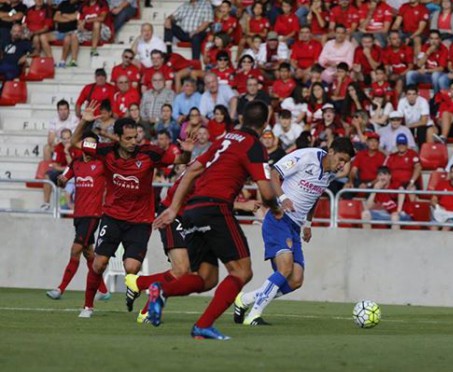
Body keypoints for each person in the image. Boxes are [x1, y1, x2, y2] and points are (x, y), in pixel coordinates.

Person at [149, 101, 281, 339]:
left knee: (206, 278)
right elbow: (267, 191)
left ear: (241, 118)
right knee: (242, 272)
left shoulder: (225, 139)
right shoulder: (254, 145)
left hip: (193, 210)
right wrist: (277, 209)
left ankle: (161, 290)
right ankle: (203, 325)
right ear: (265, 123)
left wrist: (173, 208)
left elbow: (191, 171)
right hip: (215, 208)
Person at [70, 100, 194, 318]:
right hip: (112, 217)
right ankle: (88, 306)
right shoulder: (105, 150)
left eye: (135, 137)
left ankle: (134, 289)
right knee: (99, 263)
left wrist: (186, 153)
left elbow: (179, 161)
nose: (132, 142)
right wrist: (85, 122)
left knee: (132, 268)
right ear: (117, 137)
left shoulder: (150, 153)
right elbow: (75, 142)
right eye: (127, 138)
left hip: (140, 220)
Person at [233, 138, 355, 325]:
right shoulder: (306, 157)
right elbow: (274, 173)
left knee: (296, 279)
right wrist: (282, 198)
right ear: (330, 151)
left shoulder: (329, 174)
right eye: (341, 159)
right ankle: (253, 315)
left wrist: (307, 224)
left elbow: (315, 196)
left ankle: (245, 300)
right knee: (285, 268)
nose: (342, 165)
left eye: (345, 162)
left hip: (296, 226)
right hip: (278, 219)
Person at [46, 132, 109, 300]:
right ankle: (103, 290)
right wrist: (61, 180)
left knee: (75, 250)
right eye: (86, 142)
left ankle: (60, 289)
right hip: (79, 214)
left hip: (93, 215)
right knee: (89, 254)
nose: (89, 147)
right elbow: (63, 179)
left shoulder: (102, 163)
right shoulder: (76, 163)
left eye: (92, 143)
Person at [406, 30, 449, 94]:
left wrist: (426, 70)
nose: (433, 41)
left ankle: (436, 98)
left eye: (436, 39)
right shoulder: (425, 46)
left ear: (440, 40)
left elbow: (441, 68)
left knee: (435, 75)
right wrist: (428, 53)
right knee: (410, 74)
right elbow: (419, 64)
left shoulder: (444, 49)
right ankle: (411, 96)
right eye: (431, 39)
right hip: (426, 76)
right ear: (429, 39)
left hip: (439, 75)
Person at [38, 0, 79, 68]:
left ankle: (63, 61)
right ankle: (51, 60)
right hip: (59, 32)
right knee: (42, 37)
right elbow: (56, 17)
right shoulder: (63, 3)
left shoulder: (79, 5)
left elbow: (75, 17)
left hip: (71, 32)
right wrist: (69, 18)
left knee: (68, 38)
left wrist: (63, 15)